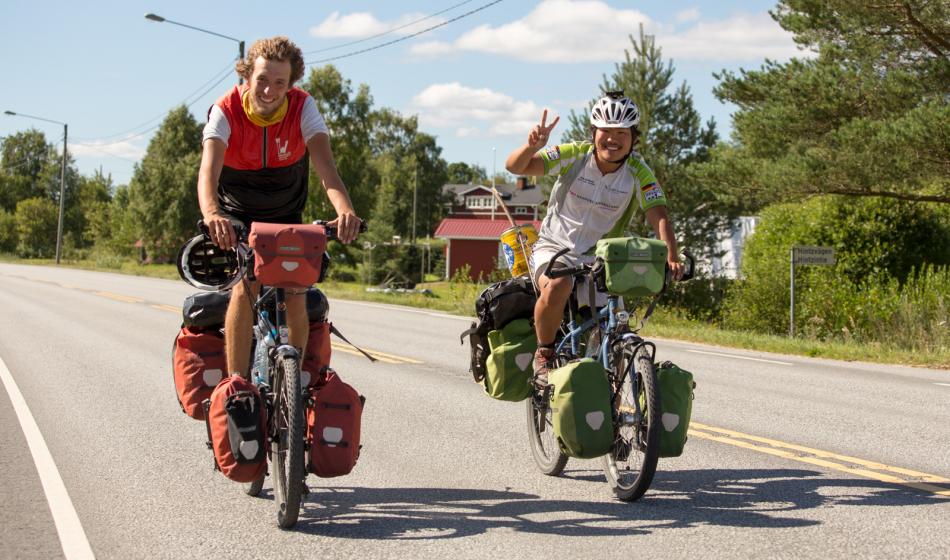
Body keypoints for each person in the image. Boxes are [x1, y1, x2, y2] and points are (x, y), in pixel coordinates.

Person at [197, 35, 360, 379]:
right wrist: (213, 215)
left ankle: (292, 385)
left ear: (291, 84)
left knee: (297, 291)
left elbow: (327, 170)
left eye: (279, 83)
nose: (269, 91)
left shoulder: (303, 108)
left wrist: (345, 209)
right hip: (238, 215)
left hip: (286, 213)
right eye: (262, 80)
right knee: (245, 287)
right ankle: (238, 384)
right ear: (246, 76)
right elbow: (207, 174)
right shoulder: (225, 111)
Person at [505, 91, 683, 383]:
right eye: (606, 131)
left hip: (599, 259)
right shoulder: (574, 154)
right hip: (553, 248)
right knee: (559, 283)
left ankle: (612, 394)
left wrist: (672, 257)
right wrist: (531, 146)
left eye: (621, 133)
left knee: (611, 327)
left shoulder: (638, 171)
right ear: (594, 132)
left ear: (633, 138)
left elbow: (659, 214)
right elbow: (516, 167)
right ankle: (545, 353)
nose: (612, 139)